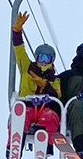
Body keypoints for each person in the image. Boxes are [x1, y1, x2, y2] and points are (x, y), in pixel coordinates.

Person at [10, 11, 62, 151]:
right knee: (21, 115)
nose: (43, 61)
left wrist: (44, 84)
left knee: (50, 117)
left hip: (45, 108)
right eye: (41, 57)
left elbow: (57, 95)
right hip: (27, 105)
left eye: (47, 58)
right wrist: (17, 31)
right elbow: (19, 51)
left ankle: (44, 147)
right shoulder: (27, 67)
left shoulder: (54, 79)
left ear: (51, 60)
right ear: (36, 57)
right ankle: (14, 147)